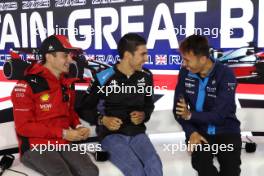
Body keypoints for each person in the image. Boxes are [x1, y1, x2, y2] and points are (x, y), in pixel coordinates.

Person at [11, 35, 99, 176]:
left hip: (63, 142)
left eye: (70, 55)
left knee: (90, 172)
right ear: (50, 57)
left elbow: (70, 112)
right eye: (65, 56)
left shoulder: (66, 82)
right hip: (36, 146)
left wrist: (78, 126)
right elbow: (23, 127)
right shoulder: (26, 85)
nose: (70, 60)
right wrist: (63, 133)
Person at [77, 33, 163, 176]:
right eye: (143, 54)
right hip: (111, 136)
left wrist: (143, 115)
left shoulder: (146, 76)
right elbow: (84, 108)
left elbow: (149, 105)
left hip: (137, 133)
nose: (146, 58)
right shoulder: (104, 76)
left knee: (154, 164)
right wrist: (102, 119)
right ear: (128, 55)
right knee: (135, 170)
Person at [173, 34, 242, 176]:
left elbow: (219, 116)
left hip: (227, 130)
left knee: (231, 170)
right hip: (198, 131)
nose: (184, 64)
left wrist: (190, 115)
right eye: (183, 59)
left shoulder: (226, 74)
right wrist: (191, 131)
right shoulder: (185, 73)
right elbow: (178, 110)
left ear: (203, 59)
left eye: (187, 60)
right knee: (203, 165)